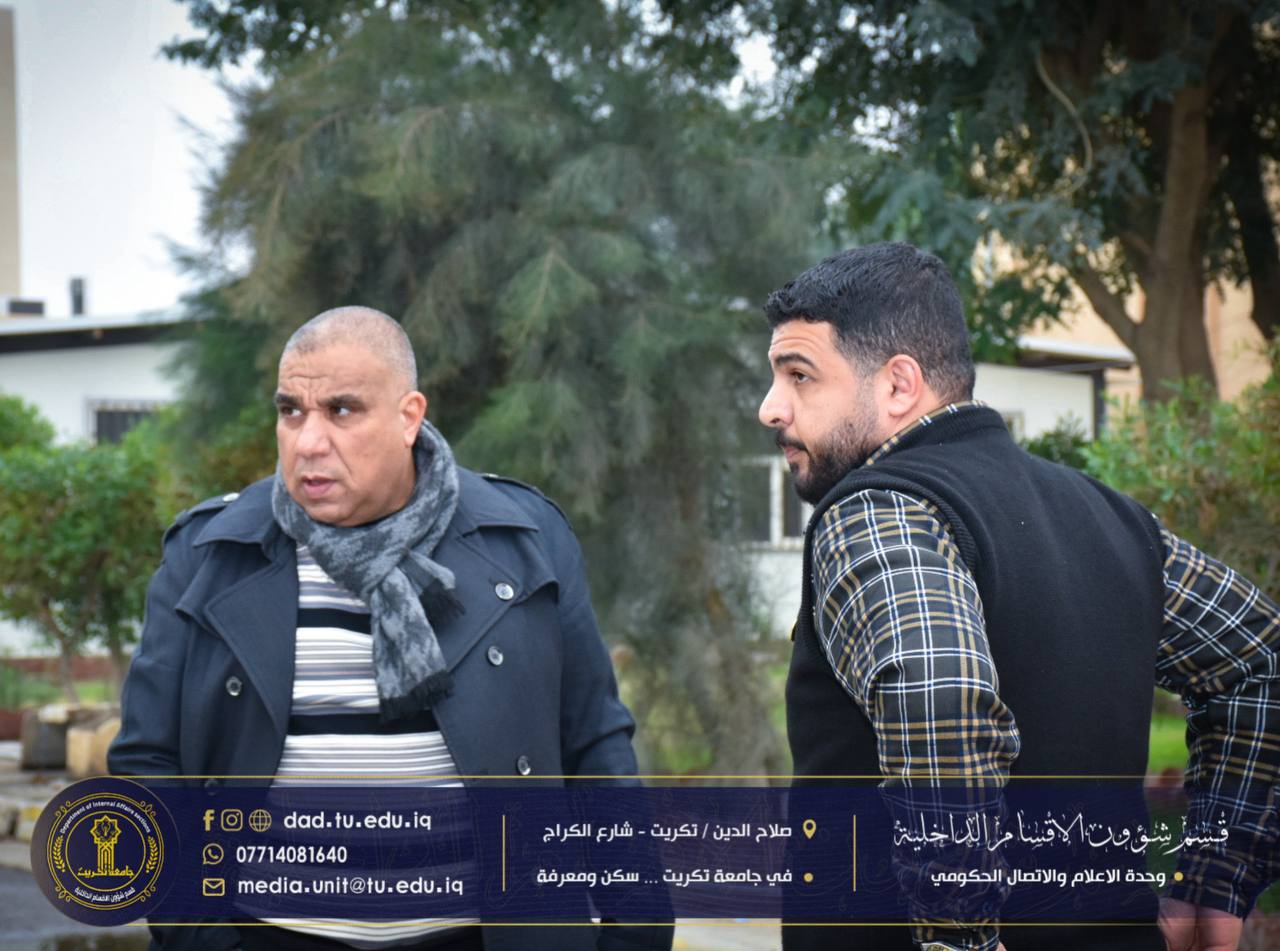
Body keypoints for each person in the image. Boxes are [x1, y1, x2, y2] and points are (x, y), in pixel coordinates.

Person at [758, 243, 1279, 951]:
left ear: (899, 385)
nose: (771, 407)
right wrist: (1216, 885)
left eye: (799, 375)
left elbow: (940, 700)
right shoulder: (1110, 517)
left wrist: (961, 935)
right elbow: (1258, 660)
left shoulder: (875, 511)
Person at [110, 307, 672, 951]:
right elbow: (147, 764)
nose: (308, 441)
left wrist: (636, 933)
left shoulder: (524, 538)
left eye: (341, 410)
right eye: (291, 411)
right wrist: (202, 939)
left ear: (409, 417)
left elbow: (594, 746)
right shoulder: (209, 554)